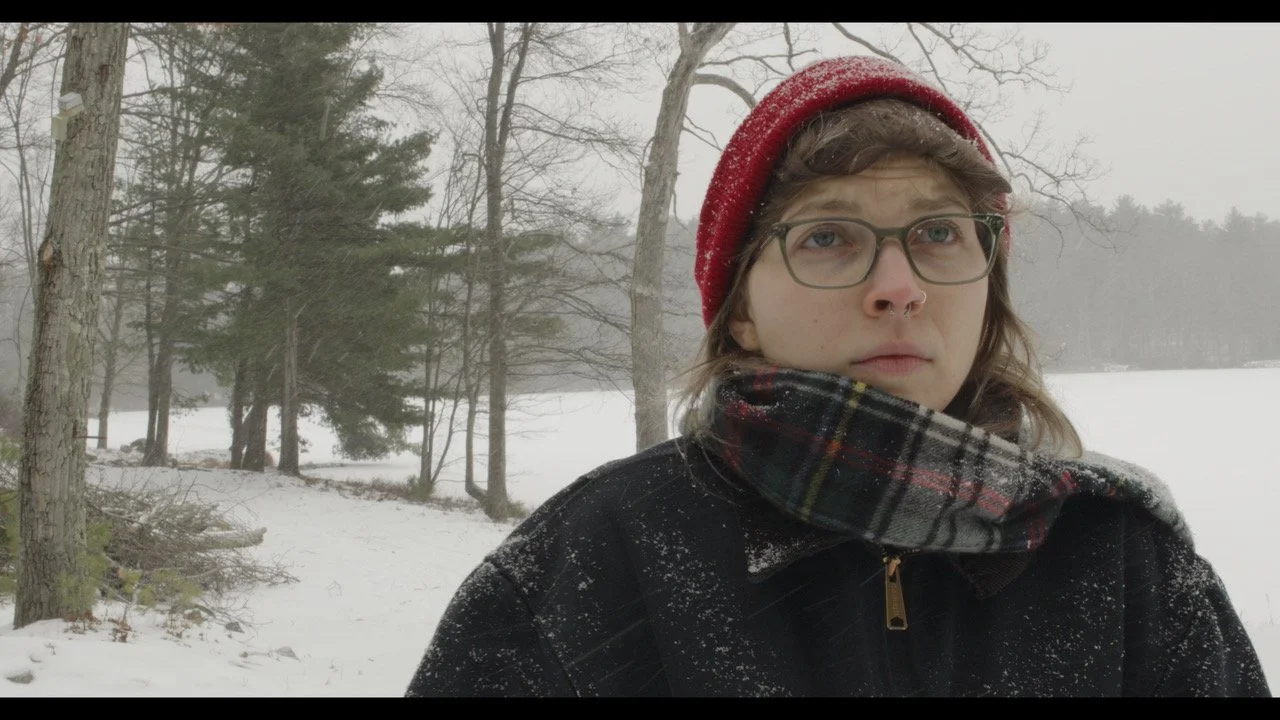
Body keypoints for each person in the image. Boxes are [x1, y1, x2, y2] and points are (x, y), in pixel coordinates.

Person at [405, 55, 1271, 697]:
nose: (899, 289)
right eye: (828, 237)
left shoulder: (1121, 568)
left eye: (938, 234)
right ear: (739, 306)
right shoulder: (590, 568)